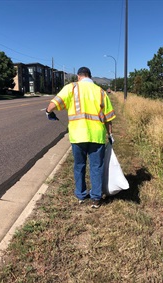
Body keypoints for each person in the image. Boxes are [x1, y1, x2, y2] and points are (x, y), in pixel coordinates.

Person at [45, 67, 116, 208]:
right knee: (96, 167)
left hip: (78, 136)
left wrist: (48, 112)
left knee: (79, 166)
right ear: (90, 76)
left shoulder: (71, 88)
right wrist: (110, 135)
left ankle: (81, 195)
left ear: (78, 76)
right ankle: (96, 198)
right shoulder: (100, 91)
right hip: (97, 136)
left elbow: (53, 104)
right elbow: (108, 118)